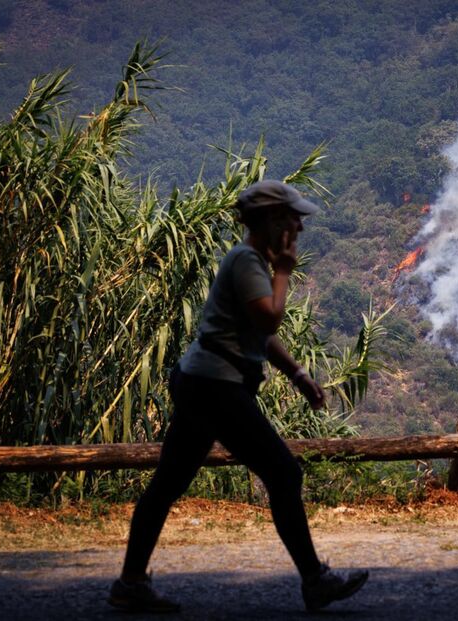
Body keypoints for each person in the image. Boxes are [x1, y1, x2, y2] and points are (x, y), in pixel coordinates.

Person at [108, 180, 369, 613]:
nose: (298, 229)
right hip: (216, 387)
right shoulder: (249, 261)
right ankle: (314, 581)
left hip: (202, 382)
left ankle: (131, 582)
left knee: (168, 483)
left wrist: (298, 374)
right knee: (284, 474)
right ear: (270, 222)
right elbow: (267, 322)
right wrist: (285, 270)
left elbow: (257, 335)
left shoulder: (248, 262)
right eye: (292, 220)